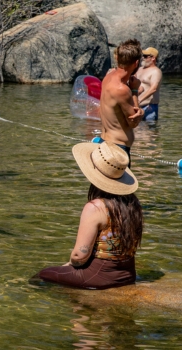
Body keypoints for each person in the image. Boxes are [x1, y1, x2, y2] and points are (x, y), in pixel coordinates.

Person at [37, 142, 142, 289]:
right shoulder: (133, 204)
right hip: (128, 274)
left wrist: (68, 265)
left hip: (98, 277)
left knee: (43, 275)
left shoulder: (95, 207)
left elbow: (80, 257)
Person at [99, 38, 144, 167]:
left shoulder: (108, 76)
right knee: (118, 187)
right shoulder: (122, 89)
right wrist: (134, 90)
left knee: (101, 186)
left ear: (117, 58)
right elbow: (133, 122)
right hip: (117, 150)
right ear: (136, 63)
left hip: (105, 144)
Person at [136, 47, 162, 122]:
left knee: (149, 132)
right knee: (137, 132)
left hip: (149, 107)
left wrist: (140, 99)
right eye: (142, 55)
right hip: (137, 106)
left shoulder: (156, 71)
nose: (142, 58)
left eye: (145, 56)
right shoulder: (139, 69)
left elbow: (154, 88)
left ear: (153, 58)